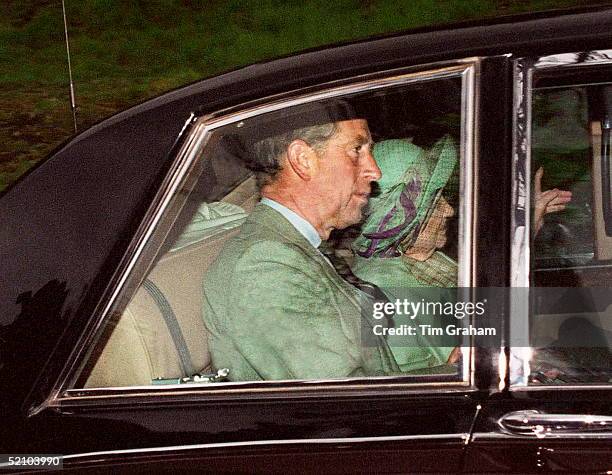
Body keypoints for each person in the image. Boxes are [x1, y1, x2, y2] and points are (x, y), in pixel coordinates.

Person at [202, 104, 402, 381]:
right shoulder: (265, 266)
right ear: (303, 160)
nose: (374, 171)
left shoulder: (296, 244)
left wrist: (450, 373)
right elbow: (346, 402)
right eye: (357, 150)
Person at [351, 137, 460, 373]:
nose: (449, 210)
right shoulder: (380, 291)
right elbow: (405, 390)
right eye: (434, 202)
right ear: (403, 218)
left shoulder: (426, 264)